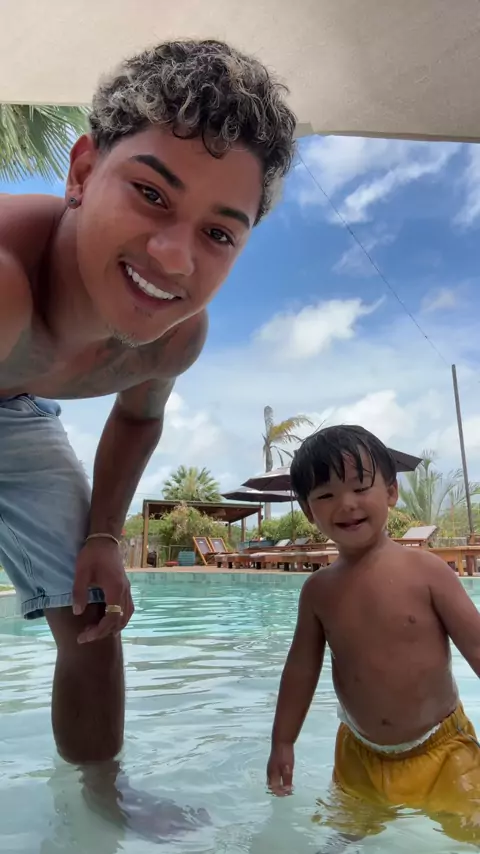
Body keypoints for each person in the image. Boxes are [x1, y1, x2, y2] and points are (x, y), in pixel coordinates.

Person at [0, 38, 296, 832]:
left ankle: (97, 807)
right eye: (151, 194)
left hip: (16, 410)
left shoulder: (173, 338)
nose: (174, 258)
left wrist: (103, 534)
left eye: (219, 234)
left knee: (92, 614)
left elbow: (138, 414)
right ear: (82, 171)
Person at [267, 425, 480, 848]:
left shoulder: (427, 572)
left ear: (391, 492)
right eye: (326, 495)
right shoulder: (319, 591)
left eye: (360, 487)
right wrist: (283, 741)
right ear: (308, 511)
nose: (346, 504)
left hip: (442, 750)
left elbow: (477, 646)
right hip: (359, 755)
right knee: (344, 839)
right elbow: (301, 670)